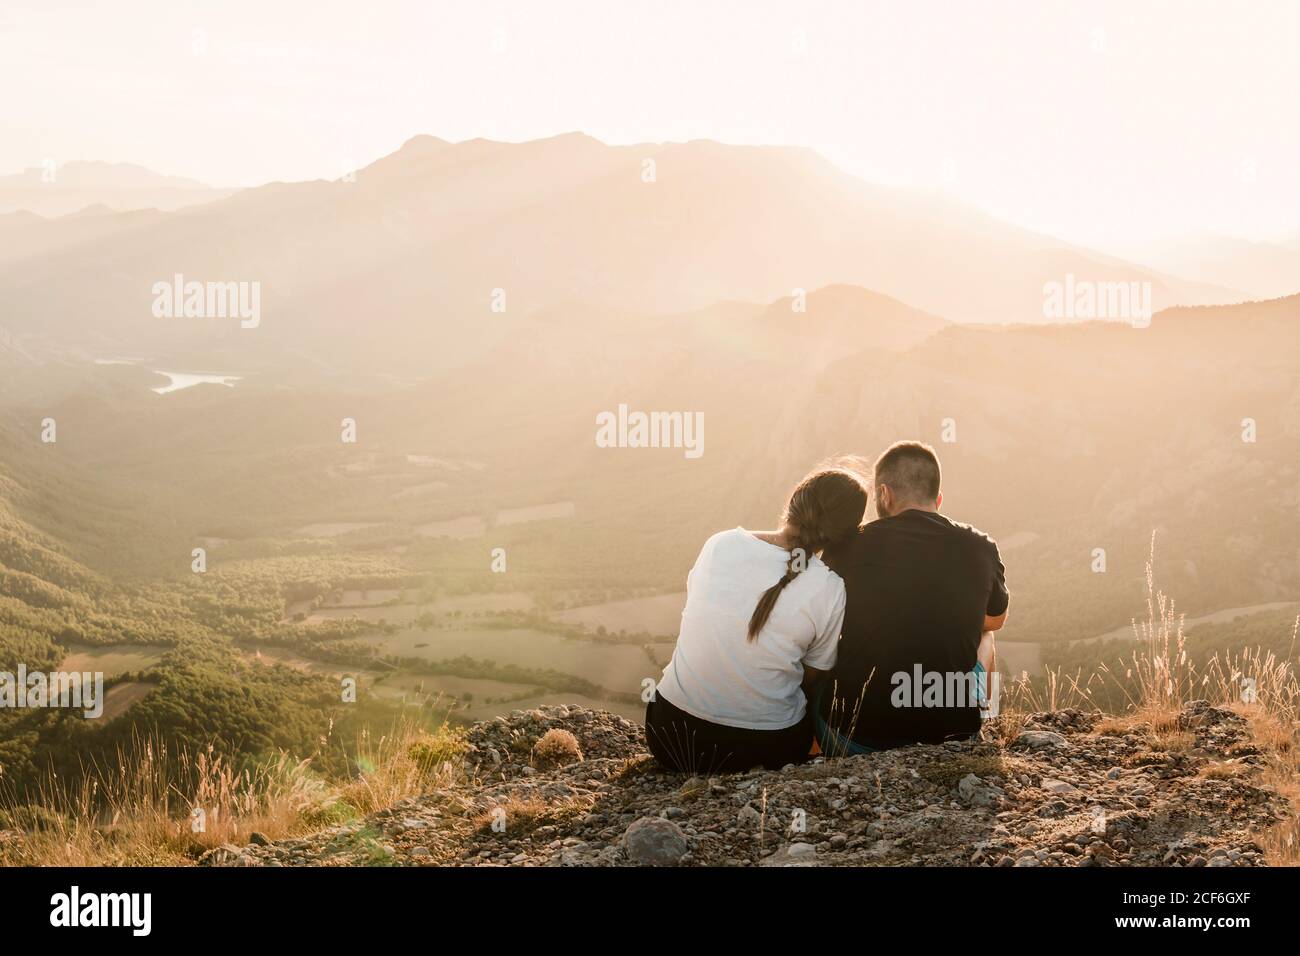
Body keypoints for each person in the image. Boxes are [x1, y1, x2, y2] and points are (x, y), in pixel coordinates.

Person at [645, 467, 868, 773]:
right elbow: (811, 679)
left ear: (793, 501)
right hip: (764, 750)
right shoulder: (830, 589)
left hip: (669, 734)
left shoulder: (719, 544)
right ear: (845, 535)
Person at [815, 441, 1009, 754]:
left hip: (858, 738)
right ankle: (982, 721)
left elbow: (819, 614)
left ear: (884, 494)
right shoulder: (981, 547)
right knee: (985, 636)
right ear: (939, 498)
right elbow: (995, 620)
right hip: (952, 734)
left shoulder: (849, 545)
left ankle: (813, 759)